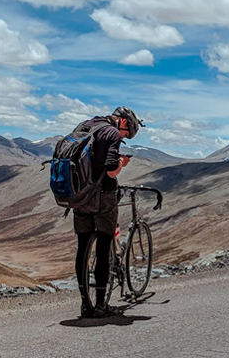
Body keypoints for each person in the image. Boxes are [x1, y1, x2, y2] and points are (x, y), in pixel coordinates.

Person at [74, 106, 141, 318]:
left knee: (83, 246)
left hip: (80, 196)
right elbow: (111, 170)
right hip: (103, 195)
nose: (124, 137)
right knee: (104, 246)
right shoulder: (111, 133)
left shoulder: (85, 126)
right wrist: (122, 162)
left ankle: (85, 304)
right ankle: (101, 305)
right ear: (123, 122)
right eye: (127, 132)